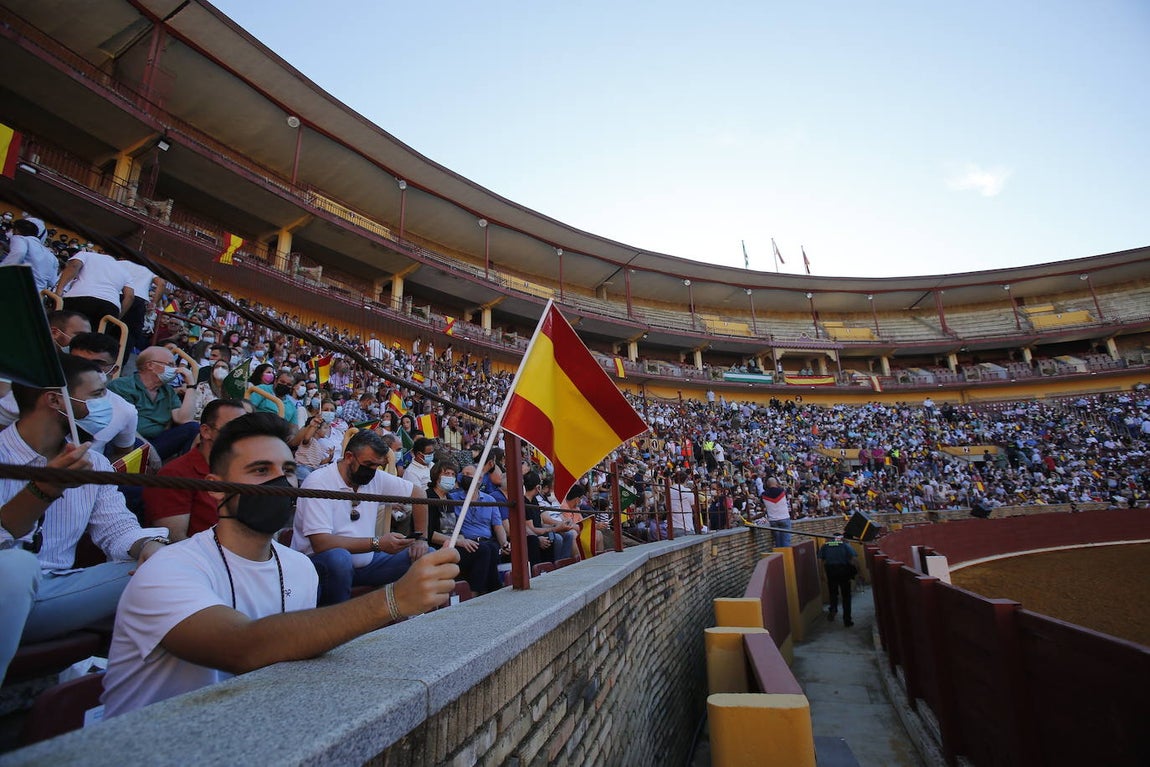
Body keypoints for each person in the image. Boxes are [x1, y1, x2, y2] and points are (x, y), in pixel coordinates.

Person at [100, 412, 460, 716]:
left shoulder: (298, 569)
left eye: (288, 469)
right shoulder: (167, 570)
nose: (280, 481)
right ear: (216, 487)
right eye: (260, 470)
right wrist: (393, 601)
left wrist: (418, 544)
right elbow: (242, 648)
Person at [0, 354, 172, 681]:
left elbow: (117, 528)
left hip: (57, 594)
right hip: (5, 587)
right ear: (54, 400)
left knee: (168, 567)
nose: (107, 405)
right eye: (97, 396)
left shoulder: (95, 463)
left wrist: (150, 546)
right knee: (17, 567)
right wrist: (41, 491)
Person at [292, 430, 430, 605]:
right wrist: (378, 543)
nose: (372, 471)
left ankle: (412, 617)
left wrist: (421, 538)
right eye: (368, 464)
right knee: (339, 559)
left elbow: (419, 494)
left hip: (367, 564)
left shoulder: (374, 477)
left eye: (377, 466)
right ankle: (335, 625)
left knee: (425, 555)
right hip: (320, 567)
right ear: (349, 457)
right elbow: (321, 543)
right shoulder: (318, 482)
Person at [142, 398, 247, 541]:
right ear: (206, 431)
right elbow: (174, 539)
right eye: (232, 429)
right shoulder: (175, 475)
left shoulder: (241, 471)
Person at [108, 345, 199, 460]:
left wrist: (191, 385)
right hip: (128, 442)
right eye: (170, 365)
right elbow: (122, 425)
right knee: (131, 439)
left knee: (193, 427)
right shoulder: (122, 386)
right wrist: (148, 449)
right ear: (150, 365)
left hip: (158, 441)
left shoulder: (168, 391)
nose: (176, 369)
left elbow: (184, 419)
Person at [428, 460, 502, 594]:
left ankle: (491, 590)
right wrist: (460, 541)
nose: (450, 477)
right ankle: (476, 593)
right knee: (483, 550)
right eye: (446, 474)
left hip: (453, 542)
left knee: (489, 547)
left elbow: (456, 528)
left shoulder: (449, 499)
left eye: (452, 474)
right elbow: (429, 533)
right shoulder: (428, 496)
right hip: (439, 545)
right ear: (436, 475)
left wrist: (462, 540)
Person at [54, 247, 134, 331]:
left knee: (65, 330)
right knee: (91, 340)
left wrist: (59, 291)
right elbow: (130, 296)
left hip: (79, 297)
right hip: (110, 307)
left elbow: (74, 266)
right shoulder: (125, 272)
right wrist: (116, 318)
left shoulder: (86, 255)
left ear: (102, 250)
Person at [0, 217, 58, 291]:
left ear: (17, 231)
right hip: (35, 297)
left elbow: (19, 252)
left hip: (16, 289)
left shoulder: (20, 238)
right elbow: (52, 282)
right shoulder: (52, 257)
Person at [818, 533, 857, 626]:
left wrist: (821, 573)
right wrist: (857, 571)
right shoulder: (845, 545)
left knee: (833, 593)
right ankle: (847, 620)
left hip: (831, 571)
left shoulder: (825, 546)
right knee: (846, 596)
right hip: (844, 571)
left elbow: (820, 560)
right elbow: (853, 558)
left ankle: (833, 609)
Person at [761, 477, 792, 547]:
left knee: (778, 542)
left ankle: (779, 556)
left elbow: (762, 505)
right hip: (784, 518)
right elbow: (787, 496)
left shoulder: (763, 495)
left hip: (773, 520)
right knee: (786, 540)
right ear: (776, 483)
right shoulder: (782, 491)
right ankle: (786, 556)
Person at [668, 471, 697, 536]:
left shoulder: (668, 491)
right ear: (686, 480)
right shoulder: (687, 491)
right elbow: (696, 508)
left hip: (673, 526)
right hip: (686, 526)